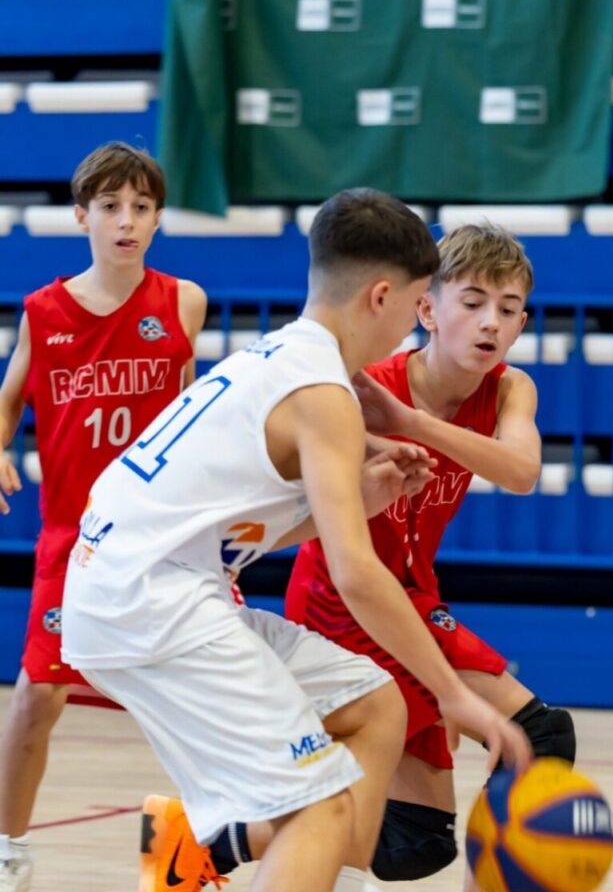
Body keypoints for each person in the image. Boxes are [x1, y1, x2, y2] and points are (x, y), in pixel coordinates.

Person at [60, 190, 530, 892]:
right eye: (412, 307)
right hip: (148, 604)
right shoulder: (322, 393)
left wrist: (362, 495)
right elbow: (357, 574)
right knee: (318, 804)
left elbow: (235, 526)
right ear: (382, 297)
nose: (410, 325)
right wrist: (452, 694)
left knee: (378, 710)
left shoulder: (281, 355)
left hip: (141, 584)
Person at [285, 223, 576, 890]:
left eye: (507, 310)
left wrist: (412, 424)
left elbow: (522, 470)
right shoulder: (366, 387)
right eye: (472, 302)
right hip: (341, 597)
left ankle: (241, 833)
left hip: (413, 596)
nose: (489, 323)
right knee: (539, 734)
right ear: (426, 309)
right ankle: (256, 829)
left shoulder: (509, 390)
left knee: (416, 848)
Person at [0, 141, 207, 892]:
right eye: (112, 207)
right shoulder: (43, 312)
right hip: (76, 538)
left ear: (156, 219)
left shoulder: (183, 300)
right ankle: (8, 850)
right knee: (37, 695)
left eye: (142, 208)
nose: (127, 221)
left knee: (203, 698)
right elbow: (7, 400)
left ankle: (190, 857)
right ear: (82, 216)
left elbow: (192, 413)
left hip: (166, 535)